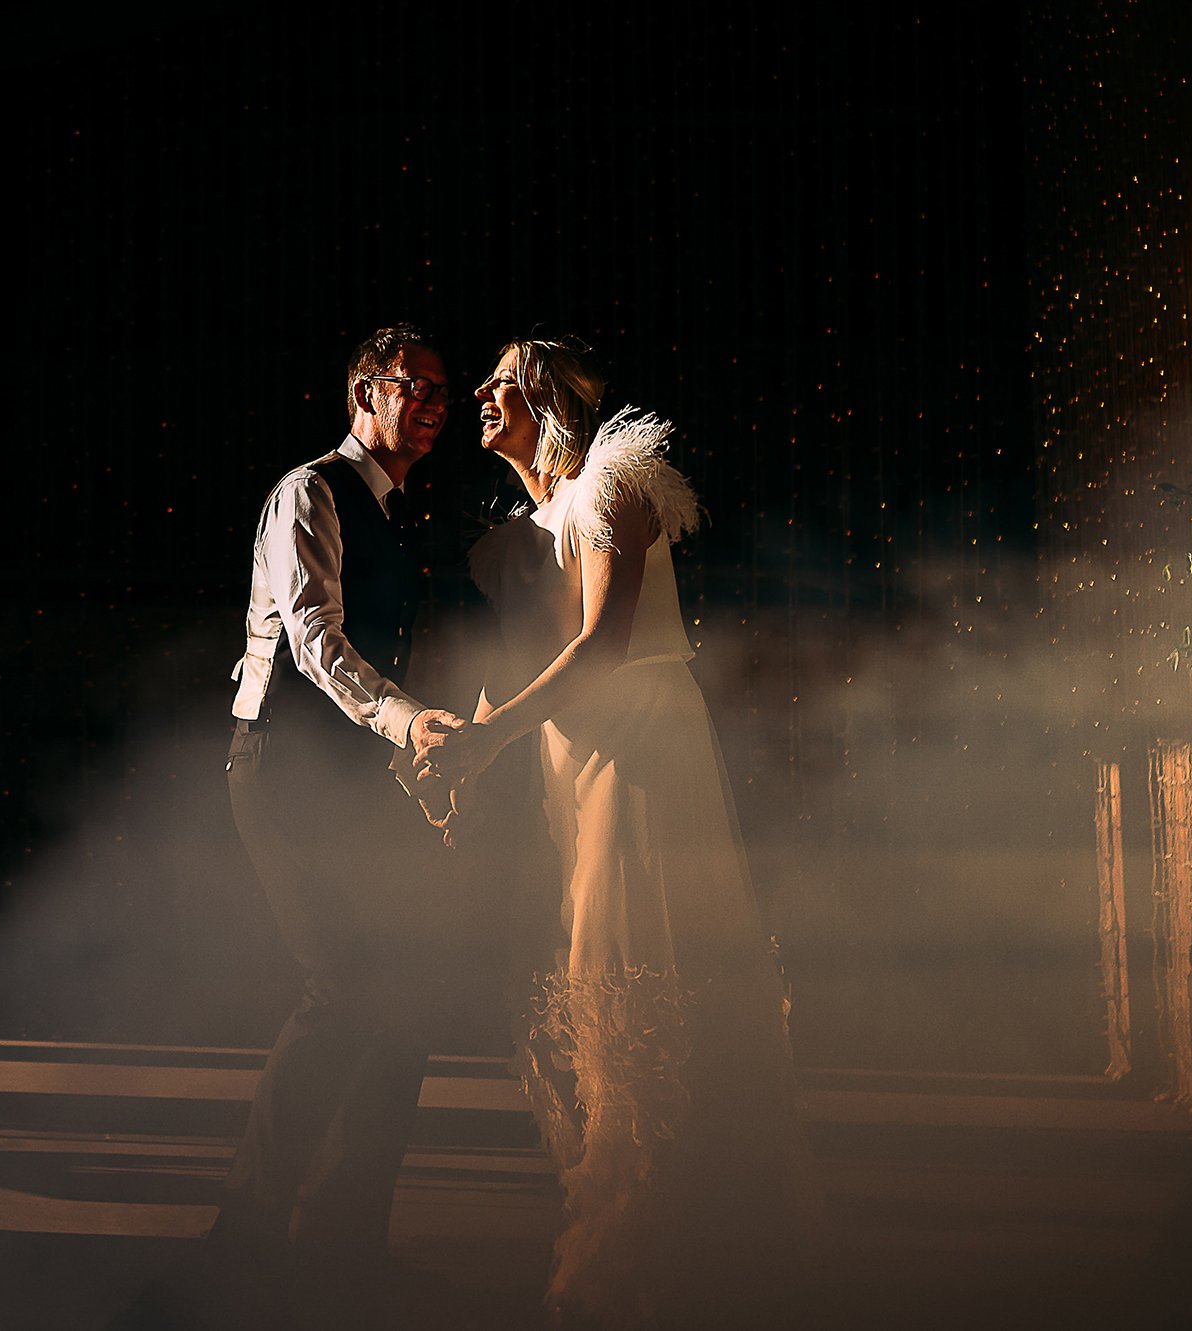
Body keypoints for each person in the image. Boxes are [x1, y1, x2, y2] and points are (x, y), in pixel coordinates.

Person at [416, 337, 819, 1328]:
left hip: (635, 749)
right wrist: (462, 734)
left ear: (545, 400)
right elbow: (530, 650)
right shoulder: (543, 513)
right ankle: (643, 1226)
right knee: (593, 972)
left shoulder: (610, 485)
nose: (476, 394)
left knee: (634, 971)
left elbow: (600, 645)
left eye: (498, 382)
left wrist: (487, 739)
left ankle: (652, 1247)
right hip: (578, 758)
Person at [206, 324, 471, 1313]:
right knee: (345, 985)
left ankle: (345, 1245)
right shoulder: (309, 491)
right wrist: (406, 722)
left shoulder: (402, 507)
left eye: (447, 390)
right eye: (420, 386)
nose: (437, 403)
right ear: (366, 392)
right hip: (281, 770)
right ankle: (240, 1247)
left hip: (359, 778)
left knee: (403, 1000)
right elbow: (315, 641)